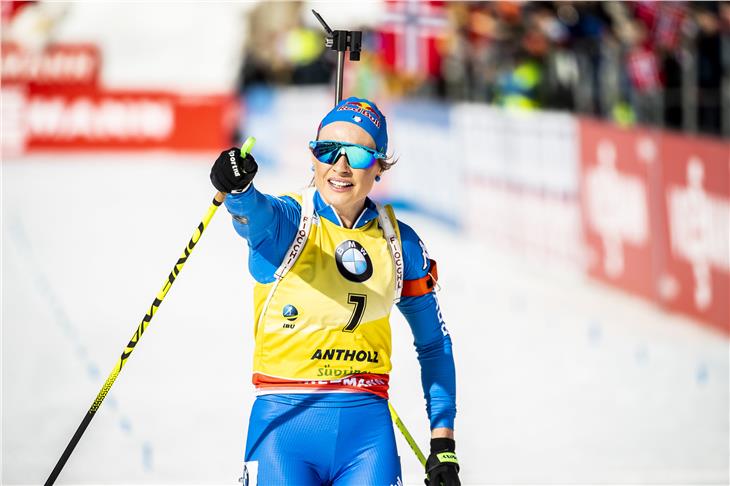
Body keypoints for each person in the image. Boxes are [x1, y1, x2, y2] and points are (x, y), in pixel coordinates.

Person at [210, 97, 459, 486]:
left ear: (379, 166)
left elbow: (433, 344)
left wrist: (443, 443)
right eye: (327, 151)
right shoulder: (292, 221)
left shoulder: (399, 243)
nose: (339, 166)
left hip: (367, 439)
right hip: (284, 430)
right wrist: (238, 188)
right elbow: (255, 215)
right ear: (313, 157)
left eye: (358, 155)